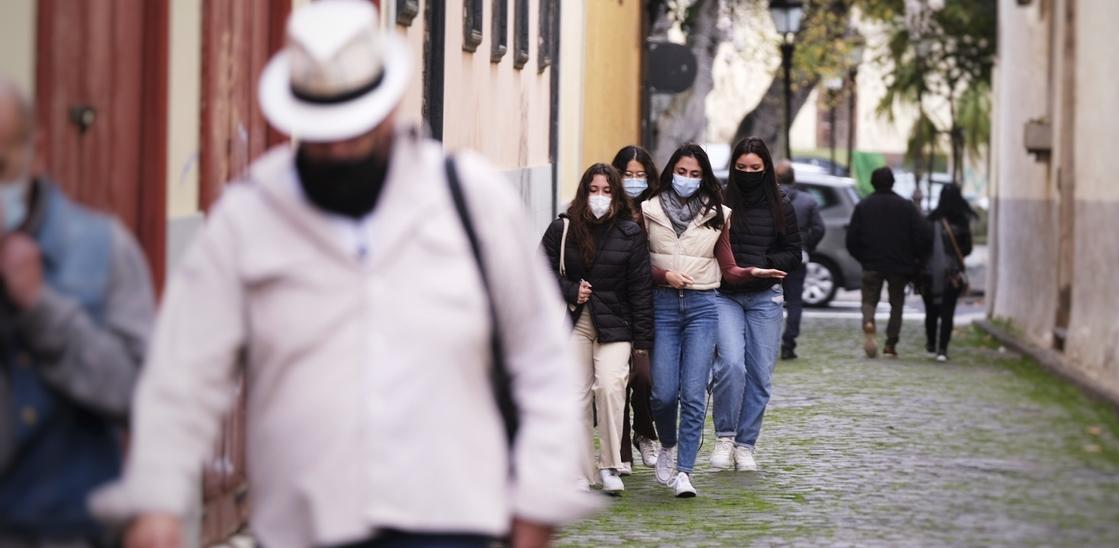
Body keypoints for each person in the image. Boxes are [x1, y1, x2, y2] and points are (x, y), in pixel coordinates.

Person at [90, 3, 595, 547]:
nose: (337, 149)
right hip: (305, 524)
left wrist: (537, 499)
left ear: (384, 111)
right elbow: (184, 373)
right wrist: (157, 500)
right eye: (321, 133)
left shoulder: (469, 201)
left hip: (450, 518)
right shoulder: (250, 218)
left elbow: (540, 355)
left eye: (351, 131)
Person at [0, 77, 155, 546]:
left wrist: (41, 307)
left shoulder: (103, 250)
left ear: (36, 153)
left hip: (75, 532)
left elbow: (144, 396)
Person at [641, 144, 758, 497]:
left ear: (704, 177)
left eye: (694, 174)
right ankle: (669, 444)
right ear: (670, 172)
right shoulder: (648, 210)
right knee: (662, 394)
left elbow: (727, 264)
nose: (687, 180)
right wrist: (664, 276)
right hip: (662, 306)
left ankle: (685, 473)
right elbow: (636, 264)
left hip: (702, 307)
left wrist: (751, 272)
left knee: (693, 394)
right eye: (682, 172)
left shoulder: (718, 213)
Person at [539, 163, 652, 495]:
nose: (600, 197)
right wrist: (571, 290)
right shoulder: (562, 229)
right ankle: (579, 471)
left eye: (606, 191)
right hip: (577, 321)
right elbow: (538, 272)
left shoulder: (630, 232)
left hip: (617, 325)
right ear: (583, 192)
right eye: (593, 190)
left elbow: (641, 289)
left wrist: (643, 342)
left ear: (615, 195)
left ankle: (611, 465)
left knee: (610, 387)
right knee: (576, 395)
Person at [708, 138, 797, 472]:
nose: (747, 174)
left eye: (755, 169)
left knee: (760, 374)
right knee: (731, 365)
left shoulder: (781, 204)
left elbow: (794, 251)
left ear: (766, 169)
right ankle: (725, 437)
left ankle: (746, 445)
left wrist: (765, 263)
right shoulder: (719, 200)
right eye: (741, 168)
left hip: (765, 295)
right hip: (725, 294)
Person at [609, 145, 661, 473]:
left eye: (640, 175)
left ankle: (645, 430)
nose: (634, 180)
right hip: (613, 303)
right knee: (617, 379)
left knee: (643, 377)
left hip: (651, 303)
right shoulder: (606, 209)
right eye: (628, 174)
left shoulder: (657, 211)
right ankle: (621, 451)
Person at [845, 167, 930, 359]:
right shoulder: (906, 207)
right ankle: (891, 344)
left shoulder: (863, 206)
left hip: (871, 262)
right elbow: (921, 236)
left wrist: (863, 257)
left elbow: (851, 239)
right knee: (896, 303)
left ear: (873, 183)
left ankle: (868, 321)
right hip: (899, 265)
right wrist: (914, 259)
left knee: (868, 299)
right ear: (893, 182)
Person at [776, 160, 825, 361]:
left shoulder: (769, 199)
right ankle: (789, 343)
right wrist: (807, 245)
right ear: (793, 177)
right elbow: (819, 228)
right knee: (795, 300)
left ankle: (768, 340)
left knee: (769, 299)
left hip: (772, 257)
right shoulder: (808, 200)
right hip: (798, 255)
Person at [921, 184, 975, 362]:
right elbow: (967, 250)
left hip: (929, 272)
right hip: (952, 273)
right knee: (947, 311)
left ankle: (930, 344)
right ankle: (942, 349)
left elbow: (923, 247)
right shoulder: (962, 222)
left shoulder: (932, 219)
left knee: (931, 309)